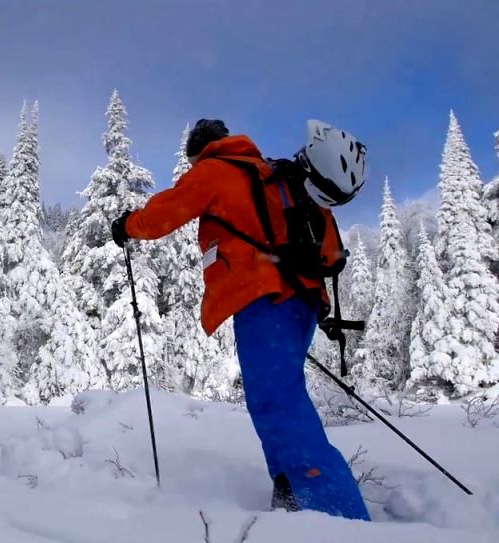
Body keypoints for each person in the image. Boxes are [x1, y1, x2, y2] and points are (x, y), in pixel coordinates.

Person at [111, 119, 371, 521]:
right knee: (274, 399)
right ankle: (292, 500)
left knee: (278, 403)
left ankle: (340, 517)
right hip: (301, 301)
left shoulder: (217, 170)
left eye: (193, 159)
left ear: (202, 150)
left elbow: (165, 213)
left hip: (264, 297)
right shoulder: (269, 171)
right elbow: (328, 252)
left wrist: (127, 225)